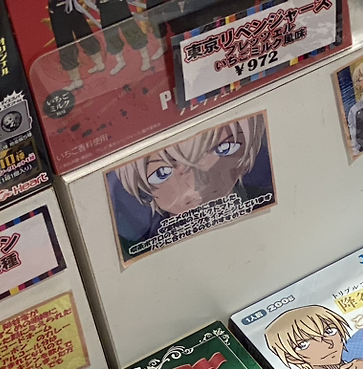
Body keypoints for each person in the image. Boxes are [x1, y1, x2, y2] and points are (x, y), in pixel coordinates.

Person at [113, 114, 268, 245]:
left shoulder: (264, 206)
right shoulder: (141, 240)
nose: (196, 185)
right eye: (162, 173)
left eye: (224, 149)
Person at [48, 0, 106, 91]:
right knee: (66, 44)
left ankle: (99, 63)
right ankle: (76, 79)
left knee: (84, 35)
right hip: (58, 9)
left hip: (71, 6)